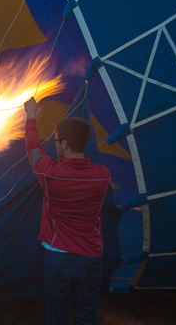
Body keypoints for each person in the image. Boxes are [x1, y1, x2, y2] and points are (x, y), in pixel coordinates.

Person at [24, 97, 111, 325]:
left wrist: (31, 116)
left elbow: (33, 150)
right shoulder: (102, 175)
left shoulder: (51, 173)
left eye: (56, 141)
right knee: (85, 317)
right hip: (91, 258)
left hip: (58, 257)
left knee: (57, 317)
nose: (55, 144)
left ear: (67, 145)